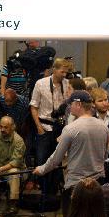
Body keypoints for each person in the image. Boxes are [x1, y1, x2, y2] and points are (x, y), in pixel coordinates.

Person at [34, 91, 109, 216]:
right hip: (97, 184)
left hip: (76, 186)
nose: (69, 107)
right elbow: (105, 156)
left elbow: (56, 159)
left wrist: (41, 169)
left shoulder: (70, 129)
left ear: (78, 104)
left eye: (71, 104)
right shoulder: (103, 127)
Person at [30, 58, 72, 197]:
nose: (64, 75)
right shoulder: (40, 84)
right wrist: (39, 128)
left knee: (58, 159)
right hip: (44, 125)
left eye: (66, 72)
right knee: (42, 159)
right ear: (54, 69)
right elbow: (34, 106)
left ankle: (53, 192)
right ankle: (44, 192)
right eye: (62, 71)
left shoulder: (67, 84)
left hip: (61, 126)